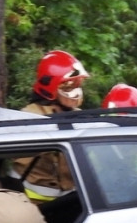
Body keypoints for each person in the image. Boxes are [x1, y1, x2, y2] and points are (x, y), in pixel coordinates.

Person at [12, 50, 89, 204]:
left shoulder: (78, 116)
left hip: (68, 202)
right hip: (32, 202)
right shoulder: (30, 117)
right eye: (68, 85)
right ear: (50, 86)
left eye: (77, 83)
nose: (75, 90)